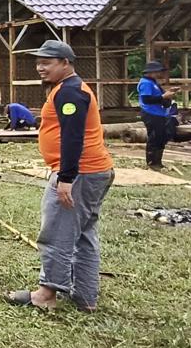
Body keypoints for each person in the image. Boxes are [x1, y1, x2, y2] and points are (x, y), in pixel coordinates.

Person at [7, 40, 115, 313]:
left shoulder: (70, 92)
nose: (40, 67)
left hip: (79, 173)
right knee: (83, 234)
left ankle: (46, 294)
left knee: (56, 232)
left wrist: (66, 177)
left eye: (47, 63)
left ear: (66, 63)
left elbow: (72, 136)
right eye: (39, 62)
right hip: (92, 170)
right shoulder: (67, 89)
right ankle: (85, 297)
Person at [137, 60, 176, 170]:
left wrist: (167, 94)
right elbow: (147, 99)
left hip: (158, 113)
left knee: (161, 137)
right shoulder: (145, 83)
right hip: (151, 113)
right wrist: (164, 97)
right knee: (154, 137)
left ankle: (158, 162)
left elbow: (159, 97)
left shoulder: (153, 82)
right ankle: (151, 162)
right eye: (159, 71)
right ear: (152, 72)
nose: (160, 74)